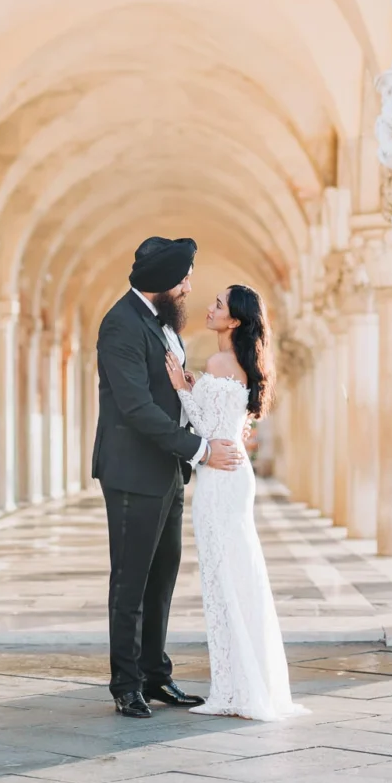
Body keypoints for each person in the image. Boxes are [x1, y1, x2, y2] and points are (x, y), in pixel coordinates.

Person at [93, 236, 244, 718]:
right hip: (133, 474)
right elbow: (137, 407)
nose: (188, 289)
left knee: (161, 582)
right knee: (131, 584)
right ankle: (127, 684)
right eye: (182, 281)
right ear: (161, 285)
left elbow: (170, 396)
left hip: (167, 473)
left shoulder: (160, 324)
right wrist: (201, 450)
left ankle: (157, 676)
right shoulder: (120, 325)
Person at [165, 284, 306, 721]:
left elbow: (207, 428)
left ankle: (232, 689)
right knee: (238, 574)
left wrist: (182, 388)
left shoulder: (219, 362)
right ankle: (243, 683)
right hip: (233, 473)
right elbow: (228, 424)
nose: (209, 307)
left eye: (219, 305)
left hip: (219, 477)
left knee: (221, 578)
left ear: (236, 320)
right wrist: (195, 386)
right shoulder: (246, 363)